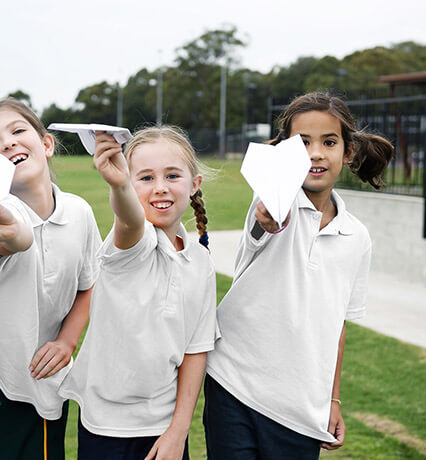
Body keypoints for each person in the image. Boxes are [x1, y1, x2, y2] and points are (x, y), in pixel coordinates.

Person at [203, 91, 394, 459]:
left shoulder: (357, 238)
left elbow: (338, 326)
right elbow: (266, 220)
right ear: (284, 153)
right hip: (234, 385)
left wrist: (332, 398)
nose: (315, 153)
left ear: (348, 152)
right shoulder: (273, 203)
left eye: (329, 142)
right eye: (302, 143)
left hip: (301, 410)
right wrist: (270, 218)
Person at [59, 126, 219, 460]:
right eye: (145, 178)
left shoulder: (200, 261)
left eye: (172, 175)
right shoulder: (133, 243)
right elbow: (129, 220)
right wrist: (117, 184)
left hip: (164, 431)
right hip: (107, 430)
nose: (160, 188)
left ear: (195, 184)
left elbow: (195, 351)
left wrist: (178, 430)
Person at [0, 99, 102, 460]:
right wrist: (6, 233)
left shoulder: (79, 212)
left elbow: (90, 284)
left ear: (47, 144)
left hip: (46, 379)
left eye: (18, 131)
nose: (7, 143)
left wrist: (67, 342)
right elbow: (15, 239)